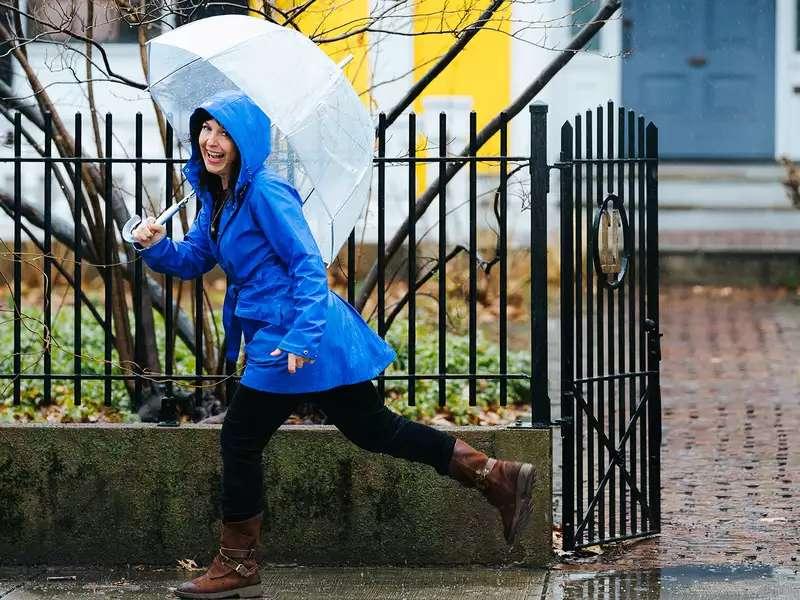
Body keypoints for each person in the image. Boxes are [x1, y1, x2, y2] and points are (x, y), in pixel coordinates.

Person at [133, 90, 536, 600]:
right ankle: (495, 475)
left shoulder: (265, 192)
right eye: (205, 129)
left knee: (239, 438)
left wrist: (301, 335)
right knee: (372, 428)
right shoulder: (220, 196)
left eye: (225, 132)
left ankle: (237, 564)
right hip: (284, 333)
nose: (211, 141)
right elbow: (195, 258)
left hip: (294, 334)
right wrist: (155, 245)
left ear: (247, 140)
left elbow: (306, 263)